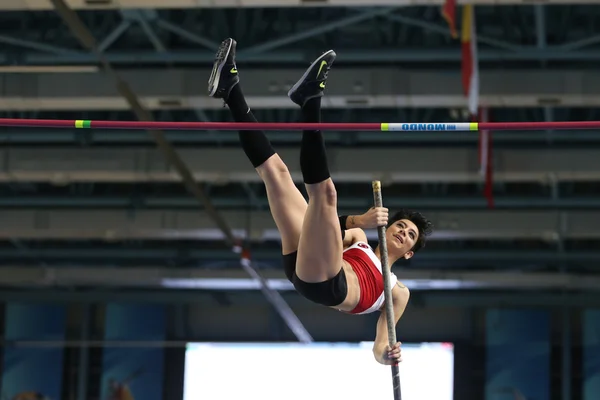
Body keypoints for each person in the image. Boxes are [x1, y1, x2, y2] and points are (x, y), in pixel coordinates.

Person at [208, 38, 433, 365]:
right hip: (312, 262)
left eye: (410, 235)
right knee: (277, 173)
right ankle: (230, 91)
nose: (402, 232)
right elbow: (324, 228)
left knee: (325, 195)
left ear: (409, 252)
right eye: (400, 225)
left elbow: (380, 345)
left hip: (327, 285)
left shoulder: (398, 293)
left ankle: (309, 101)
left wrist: (388, 355)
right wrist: (360, 221)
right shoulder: (358, 241)